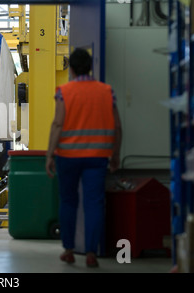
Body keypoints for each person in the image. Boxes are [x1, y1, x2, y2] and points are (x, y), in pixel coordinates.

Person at [45, 48, 122, 268]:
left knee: (68, 201)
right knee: (94, 203)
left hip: (68, 157)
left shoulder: (64, 91)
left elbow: (58, 123)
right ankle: (91, 253)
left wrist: (50, 154)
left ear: (71, 69)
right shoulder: (107, 92)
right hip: (98, 157)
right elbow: (117, 126)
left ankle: (69, 250)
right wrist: (116, 154)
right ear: (90, 67)